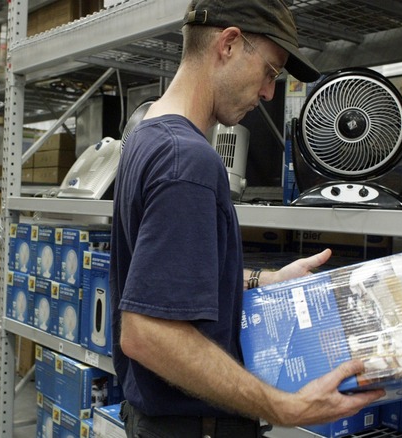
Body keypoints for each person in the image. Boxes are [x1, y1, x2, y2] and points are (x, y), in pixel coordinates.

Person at [108, 1, 385, 437]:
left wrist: (265, 281)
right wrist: (285, 407)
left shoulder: (146, 136)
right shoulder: (188, 162)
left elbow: (164, 282)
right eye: (271, 72)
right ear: (230, 44)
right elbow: (147, 332)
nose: (269, 93)